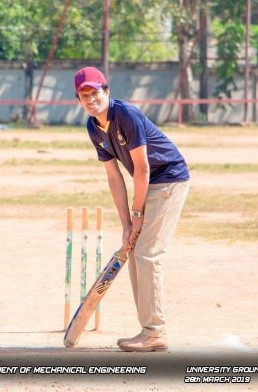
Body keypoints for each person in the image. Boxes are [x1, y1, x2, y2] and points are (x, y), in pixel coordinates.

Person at [74, 66, 190, 352]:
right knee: (136, 250)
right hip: (148, 183)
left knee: (148, 254)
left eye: (95, 92)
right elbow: (114, 176)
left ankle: (155, 331)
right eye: (84, 95)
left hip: (168, 179)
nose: (91, 99)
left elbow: (142, 168)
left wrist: (137, 215)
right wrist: (126, 224)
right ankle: (149, 330)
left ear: (107, 91)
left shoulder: (126, 115)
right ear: (78, 99)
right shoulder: (93, 127)